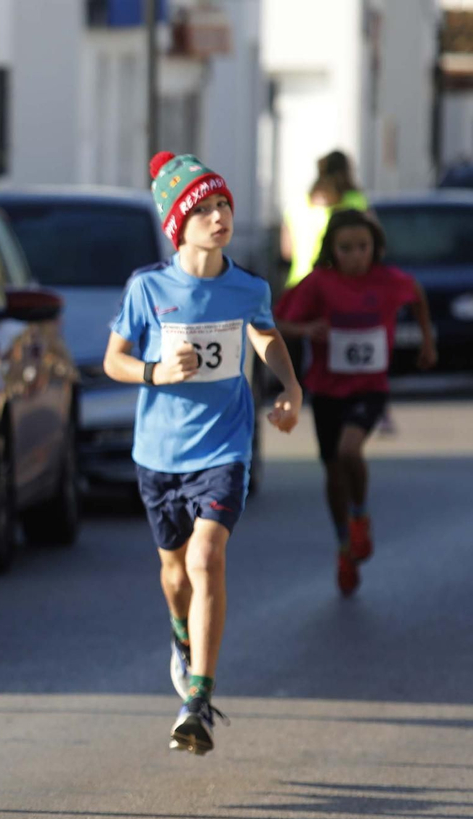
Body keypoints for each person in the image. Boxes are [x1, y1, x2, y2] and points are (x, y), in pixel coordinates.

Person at [103, 151, 304, 756]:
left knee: (206, 557)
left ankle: (198, 697)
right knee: (173, 575)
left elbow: (266, 334)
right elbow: (113, 360)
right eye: (205, 208)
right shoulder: (149, 288)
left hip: (225, 447)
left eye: (224, 206)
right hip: (159, 454)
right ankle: (180, 636)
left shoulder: (248, 288)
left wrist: (290, 389)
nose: (219, 216)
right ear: (178, 223)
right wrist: (157, 373)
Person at [274, 210, 436, 596]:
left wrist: (428, 341)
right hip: (327, 390)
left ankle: (360, 514)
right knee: (332, 471)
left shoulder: (387, 281)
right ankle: (345, 546)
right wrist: (305, 329)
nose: (356, 256)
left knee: (350, 451)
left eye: (363, 247)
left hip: (369, 387)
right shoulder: (318, 284)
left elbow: (417, 294)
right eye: (346, 248)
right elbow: (277, 321)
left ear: (375, 247)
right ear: (332, 249)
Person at [282, 150, 370, 287]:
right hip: (338, 287)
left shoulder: (297, 205)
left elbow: (287, 252)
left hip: (298, 284)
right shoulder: (355, 202)